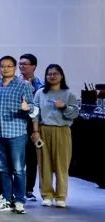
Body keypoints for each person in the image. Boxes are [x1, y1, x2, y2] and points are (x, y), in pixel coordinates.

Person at [0, 55, 39, 214]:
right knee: (3, 169)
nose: (5, 69)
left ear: (14, 68)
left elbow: (34, 109)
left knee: (18, 169)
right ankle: (7, 199)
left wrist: (27, 108)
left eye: (9, 66)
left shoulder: (24, 85)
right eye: (2, 66)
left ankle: (20, 200)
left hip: (16, 133)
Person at [32, 64, 79, 208]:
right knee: (44, 164)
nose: (52, 76)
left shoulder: (69, 94)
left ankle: (61, 196)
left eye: (55, 74)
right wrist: (35, 131)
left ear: (61, 76)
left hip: (62, 130)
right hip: (43, 130)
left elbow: (75, 113)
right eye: (49, 74)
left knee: (61, 164)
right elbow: (35, 113)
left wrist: (64, 106)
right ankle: (47, 194)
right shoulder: (40, 93)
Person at [18, 53, 44, 202]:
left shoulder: (40, 85)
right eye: (20, 64)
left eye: (25, 64)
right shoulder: (15, 82)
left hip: (33, 124)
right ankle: (16, 189)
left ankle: (29, 189)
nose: (22, 66)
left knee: (32, 158)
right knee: (17, 159)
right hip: (17, 124)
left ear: (33, 66)